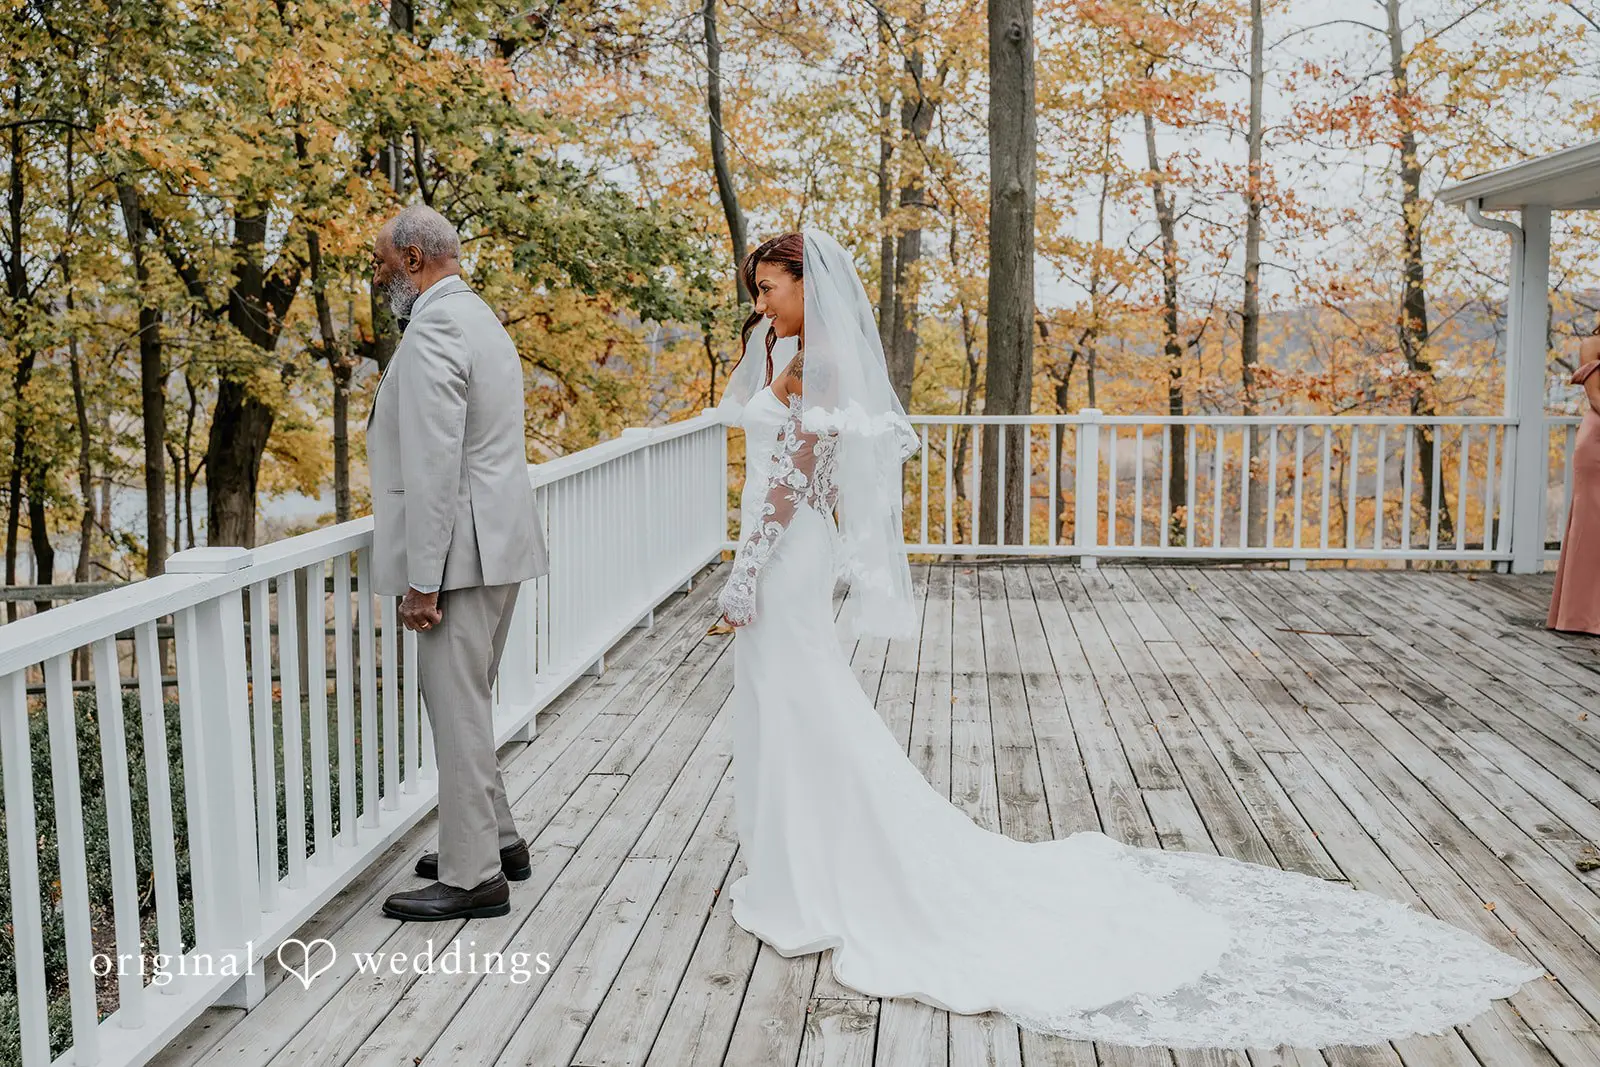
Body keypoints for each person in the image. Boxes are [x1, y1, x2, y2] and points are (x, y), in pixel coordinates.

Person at [713, 228, 1542, 1047]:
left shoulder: (818, 366)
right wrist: (754, 499)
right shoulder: (785, 358)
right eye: (756, 289)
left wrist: (747, 568)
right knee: (787, 699)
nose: (762, 300)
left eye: (772, 287)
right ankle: (797, 860)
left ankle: (825, 868)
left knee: (805, 699)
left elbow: (792, 482)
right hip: (776, 544)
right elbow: (776, 465)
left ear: (808, 288)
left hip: (782, 553)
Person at [366, 204, 549, 921]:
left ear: (413, 259)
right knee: (464, 700)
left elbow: (437, 464)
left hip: (461, 555)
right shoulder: (479, 317)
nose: (379, 275)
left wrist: (422, 578)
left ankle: (475, 876)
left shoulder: (436, 326)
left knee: (454, 703)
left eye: (383, 262)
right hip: (497, 543)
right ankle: (498, 843)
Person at [1548, 331, 1600, 635]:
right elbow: (1595, 397)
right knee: (1590, 526)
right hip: (1596, 442)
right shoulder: (1592, 345)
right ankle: (1580, 616)